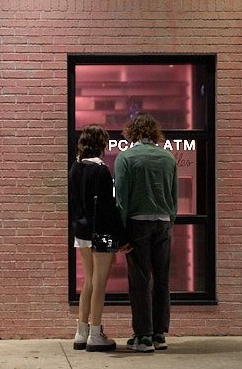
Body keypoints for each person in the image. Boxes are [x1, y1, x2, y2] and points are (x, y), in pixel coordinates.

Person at [114, 112, 178, 353]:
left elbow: (121, 199)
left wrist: (121, 233)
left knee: (140, 280)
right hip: (162, 223)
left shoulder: (126, 158)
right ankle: (160, 334)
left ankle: (143, 336)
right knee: (162, 278)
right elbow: (173, 196)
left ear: (131, 132)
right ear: (154, 132)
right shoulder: (168, 158)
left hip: (137, 224)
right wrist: (168, 220)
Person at [68, 124, 132, 352]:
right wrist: (122, 236)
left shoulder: (75, 167)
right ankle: (96, 334)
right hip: (101, 232)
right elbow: (109, 208)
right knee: (100, 284)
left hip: (82, 231)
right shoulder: (102, 170)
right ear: (100, 144)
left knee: (88, 280)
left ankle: (80, 333)